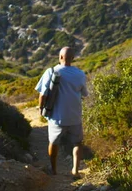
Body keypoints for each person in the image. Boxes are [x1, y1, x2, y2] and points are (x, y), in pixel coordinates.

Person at [35, 46, 88, 177]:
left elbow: (43, 95)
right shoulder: (80, 74)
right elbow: (84, 94)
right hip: (75, 116)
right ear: (73, 58)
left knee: (53, 142)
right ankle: (75, 170)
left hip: (56, 117)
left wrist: (41, 109)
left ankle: (54, 170)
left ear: (60, 57)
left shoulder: (51, 71)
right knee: (77, 143)